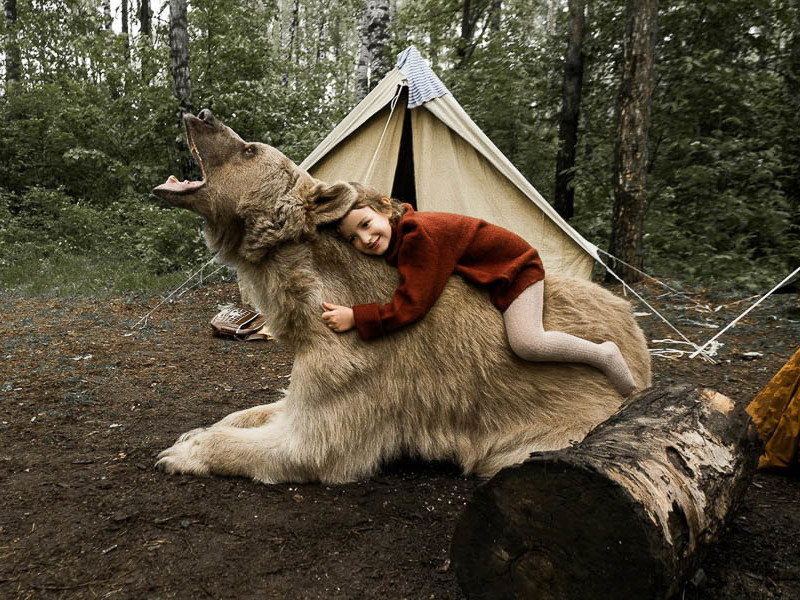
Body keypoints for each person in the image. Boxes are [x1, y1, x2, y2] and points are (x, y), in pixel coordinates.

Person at [321, 188, 637, 396]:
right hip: (487, 271)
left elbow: (413, 305)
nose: (364, 239)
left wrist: (357, 316)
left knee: (528, 342)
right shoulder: (401, 234)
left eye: (365, 224)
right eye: (352, 239)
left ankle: (603, 355)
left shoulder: (419, 236)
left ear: (385, 209)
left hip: (514, 270)